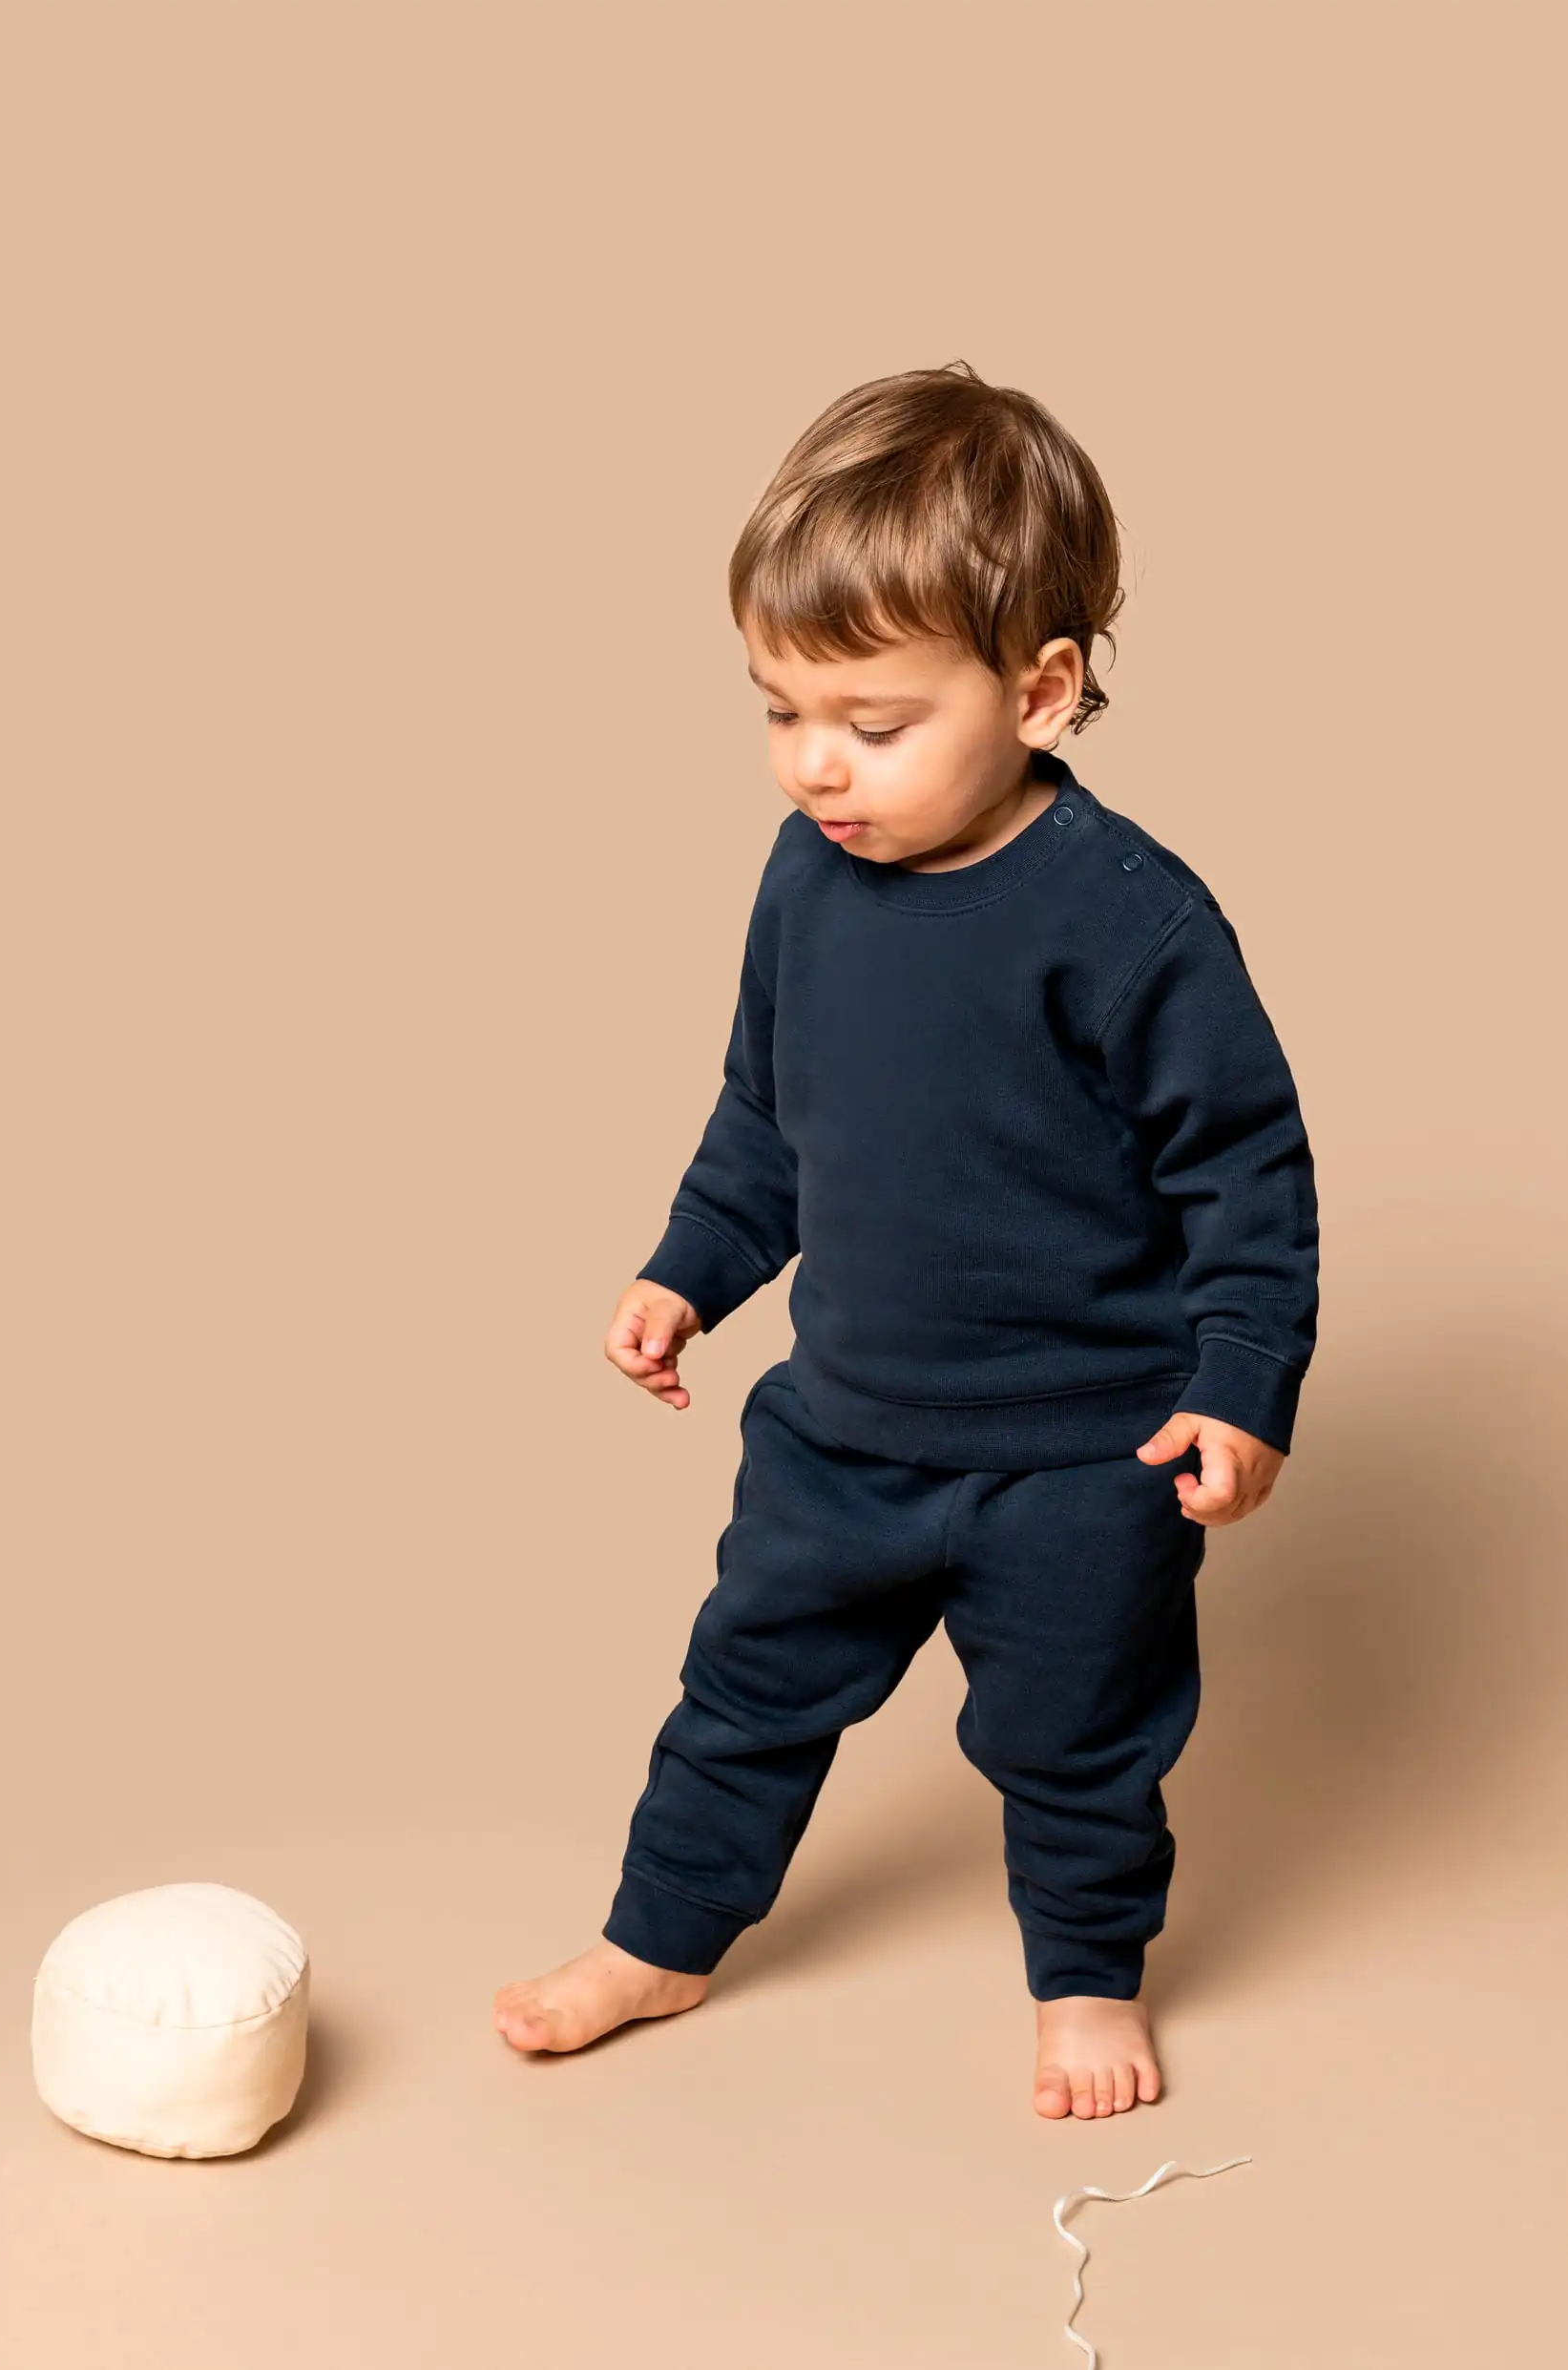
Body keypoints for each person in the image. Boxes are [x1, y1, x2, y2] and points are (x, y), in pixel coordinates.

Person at [493, 361, 1319, 2119]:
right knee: (740, 1696)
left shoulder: (1130, 923)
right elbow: (765, 1113)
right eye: (779, 710)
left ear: (1040, 690)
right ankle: (660, 1938)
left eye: (871, 723)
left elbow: (1246, 1175)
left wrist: (1241, 1384)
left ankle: (1085, 1978)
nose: (815, 764)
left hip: (1080, 1466)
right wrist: (687, 1271)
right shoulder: (805, 880)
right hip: (843, 1437)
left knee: (1076, 1745)